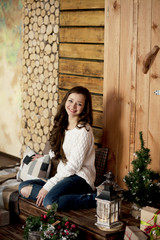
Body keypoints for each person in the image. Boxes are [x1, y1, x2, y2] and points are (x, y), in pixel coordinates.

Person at [19, 86, 97, 210]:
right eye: (70, 101)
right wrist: (46, 157)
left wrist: (48, 186)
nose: (73, 106)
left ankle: (95, 198)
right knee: (23, 187)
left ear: (84, 108)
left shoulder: (83, 131)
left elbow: (74, 167)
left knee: (50, 202)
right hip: (65, 176)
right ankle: (61, 195)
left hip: (80, 178)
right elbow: (60, 149)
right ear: (66, 101)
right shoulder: (63, 124)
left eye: (79, 104)